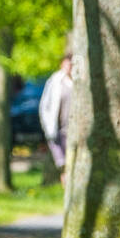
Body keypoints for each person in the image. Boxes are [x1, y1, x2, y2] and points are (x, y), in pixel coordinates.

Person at [39, 53, 73, 185]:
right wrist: (47, 126)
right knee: (63, 164)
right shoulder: (55, 81)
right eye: (67, 64)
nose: (69, 67)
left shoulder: (79, 81)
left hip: (73, 130)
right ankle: (67, 192)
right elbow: (44, 106)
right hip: (58, 131)